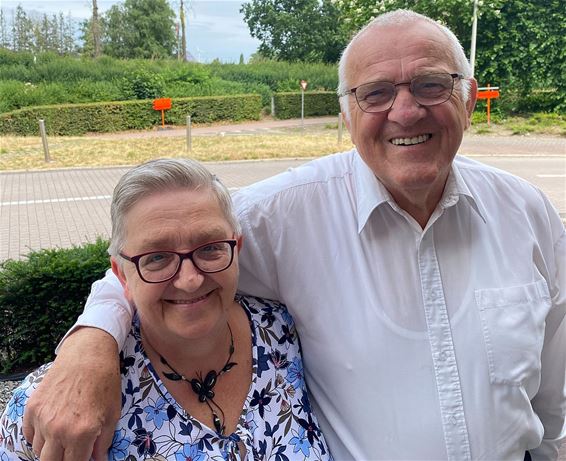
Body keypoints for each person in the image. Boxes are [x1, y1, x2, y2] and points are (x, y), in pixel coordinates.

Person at [19, 8, 566, 461]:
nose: (405, 110)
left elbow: (551, 396)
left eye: (431, 85)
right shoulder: (284, 216)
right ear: (347, 113)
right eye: (375, 93)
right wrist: (89, 349)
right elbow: (162, 261)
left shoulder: (528, 214)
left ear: (469, 98)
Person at [0, 158, 332, 460]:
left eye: (211, 248)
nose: (189, 280)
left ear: (237, 247)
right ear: (121, 274)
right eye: (157, 257)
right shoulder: (52, 408)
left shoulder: (282, 331)